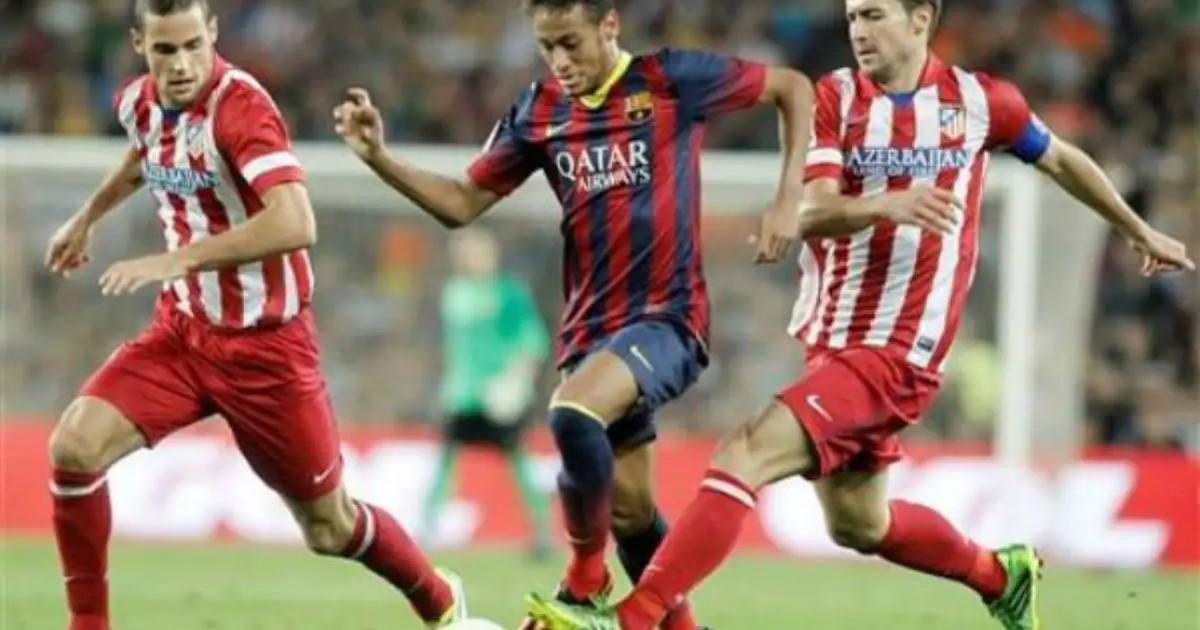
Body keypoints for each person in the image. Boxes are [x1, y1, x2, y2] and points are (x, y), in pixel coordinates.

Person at [523, 0, 1195, 629]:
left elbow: (1061, 159)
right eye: (851, 18)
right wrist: (886, 205)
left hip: (899, 350)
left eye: (874, 14)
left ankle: (633, 618)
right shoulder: (836, 97)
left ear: (922, 17)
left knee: (744, 453)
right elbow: (811, 210)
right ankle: (999, 575)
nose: (859, 31)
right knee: (857, 523)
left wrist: (1136, 230)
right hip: (833, 341)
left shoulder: (981, 102)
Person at [331, 0, 815, 628]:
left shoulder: (667, 80)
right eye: (546, 46)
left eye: (570, 42)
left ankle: (584, 577)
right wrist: (378, 157)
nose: (560, 60)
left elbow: (793, 87)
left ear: (608, 25)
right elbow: (461, 202)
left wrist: (788, 199)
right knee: (632, 515)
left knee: (572, 410)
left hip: (668, 317)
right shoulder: (540, 110)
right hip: (589, 331)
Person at [43, 2, 468, 629]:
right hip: (182, 334)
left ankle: (439, 600)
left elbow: (296, 221)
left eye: (193, 45)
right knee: (75, 447)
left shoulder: (242, 108)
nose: (182, 64)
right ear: (138, 44)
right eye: (165, 50)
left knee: (329, 528)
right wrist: (87, 218)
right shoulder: (137, 102)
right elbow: (144, 155)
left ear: (213, 32)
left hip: (268, 350)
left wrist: (178, 259)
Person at [419, 227, 554, 560]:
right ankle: (426, 534)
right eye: (462, 253)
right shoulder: (454, 293)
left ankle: (542, 533)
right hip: (461, 394)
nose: (468, 259)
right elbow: (455, 348)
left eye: (474, 252)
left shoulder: (508, 294)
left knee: (518, 460)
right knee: (446, 460)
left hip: (500, 394)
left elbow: (532, 342)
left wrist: (515, 383)